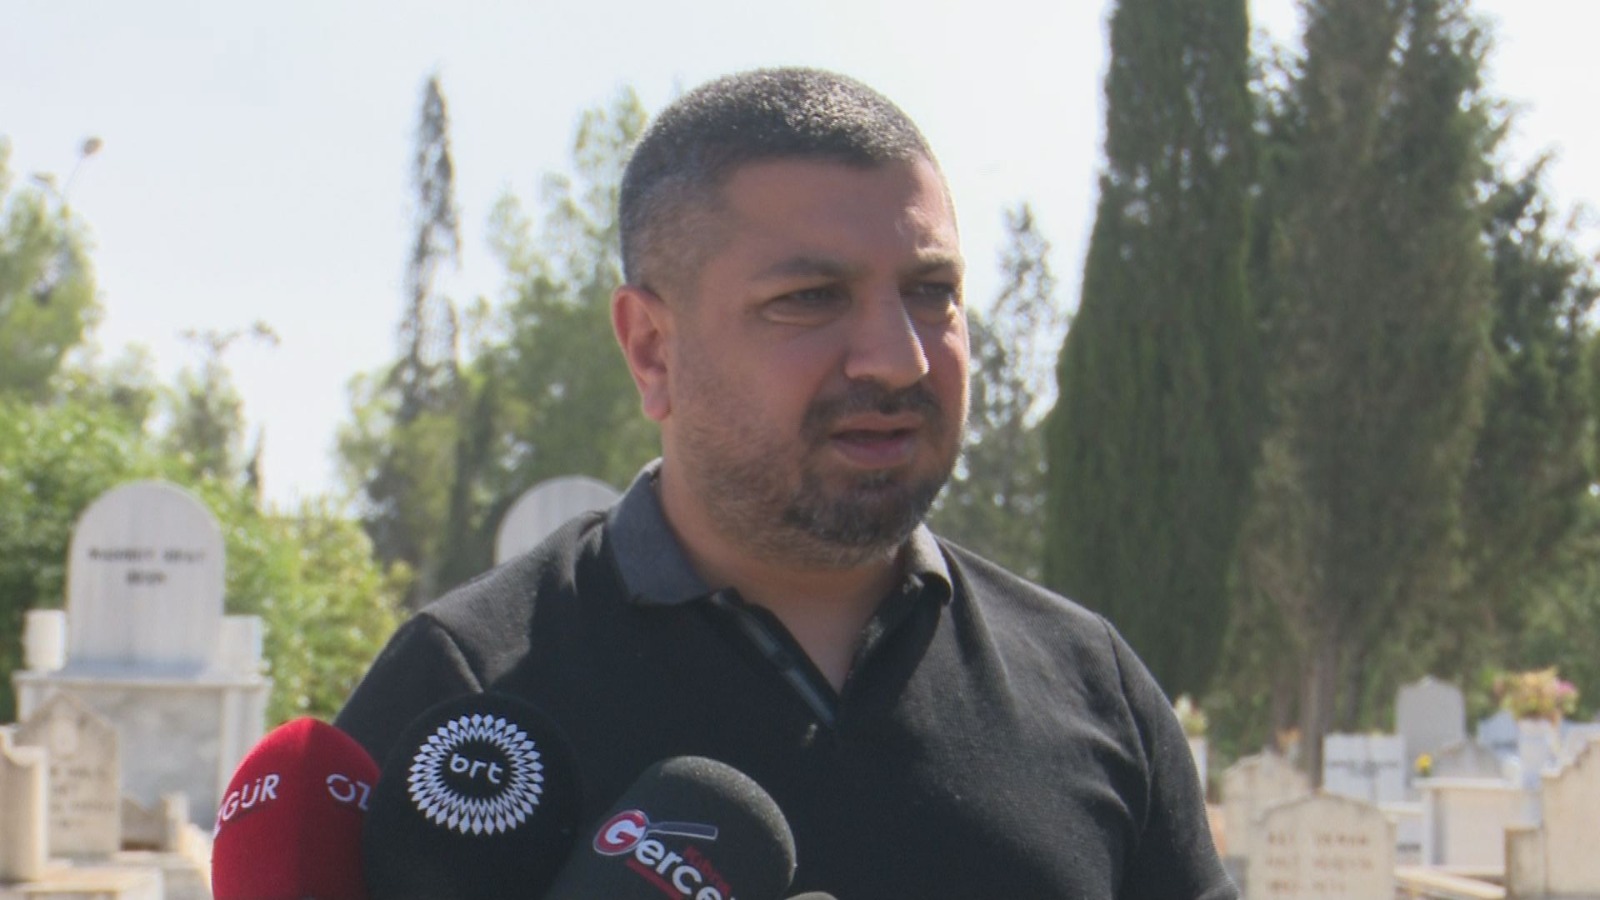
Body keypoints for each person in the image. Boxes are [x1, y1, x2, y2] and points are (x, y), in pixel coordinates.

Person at [336, 67, 1235, 899]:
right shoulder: (466, 695)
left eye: (931, 291)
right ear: (652, 350)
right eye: (809, 298)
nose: (899, 358)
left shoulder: (1094, 687)